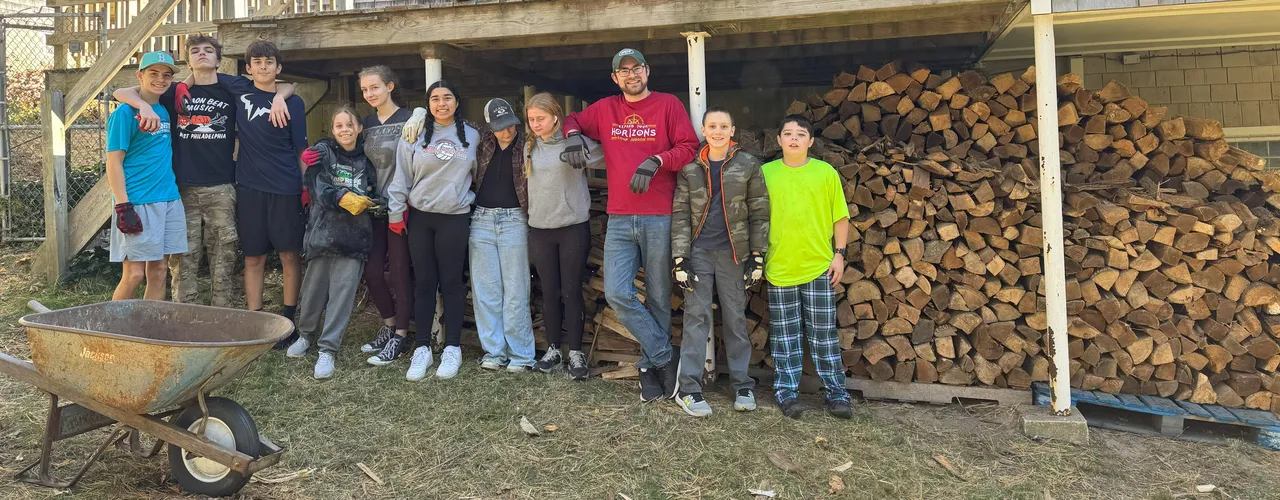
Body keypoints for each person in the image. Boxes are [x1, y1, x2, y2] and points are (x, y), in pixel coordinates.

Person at [112, 35, 292, 308]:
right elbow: (123, 91)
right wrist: (144, 104)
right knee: (184, 257)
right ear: (188, 60)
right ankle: (184, 312)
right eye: (195, 51)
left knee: (224, 252)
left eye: (209, 50)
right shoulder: (171, 91)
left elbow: (287, 84)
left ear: (219, 60)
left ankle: (222, 313)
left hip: (221, 184)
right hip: (180, 188)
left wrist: (279, 96)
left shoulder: (234, 88)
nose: (202, 54)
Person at [560, 48, 699, 400]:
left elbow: (688, 146)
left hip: (658, 216)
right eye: (624, 71)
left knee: (657, 296)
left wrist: (657, 160)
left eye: (636, 68)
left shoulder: (668, 105)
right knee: (618, 291)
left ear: (647, 71)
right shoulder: (606, 108)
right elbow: (571, 118)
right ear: (615, 78)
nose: (631, 75)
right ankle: (666, 356)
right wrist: (574, 135)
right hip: (620, 216)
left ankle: (650, 368)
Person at [670, 107, 769, 417]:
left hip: (733, 254)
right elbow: (681, 215)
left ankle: (742, 385)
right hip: (699, 253)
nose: (717, 131)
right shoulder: (690, 168)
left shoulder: (748, 165)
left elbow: (760, 212)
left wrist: (757, 256)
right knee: (696, 319)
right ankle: (689, 389)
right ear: (703, 130)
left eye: (723, 126)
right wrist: (680, 258)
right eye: (712, 125)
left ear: (732, 130)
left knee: (735, 318)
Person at [383, 80, 484, 381]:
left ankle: (453, 346)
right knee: (425, 283)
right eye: (435, 99)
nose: (442, 104)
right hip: (422, 218)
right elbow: (401, 176)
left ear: (457, 102)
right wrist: (395, 213)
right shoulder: (413, 134)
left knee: (452, 283)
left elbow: (478, 174)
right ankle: (422, 348)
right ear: (428, 104)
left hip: (454, 217)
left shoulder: (474, 136)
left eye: (448, 98)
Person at [319, 66, 416, 360]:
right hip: (371, 209)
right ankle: (388, 325)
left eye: (374, 87)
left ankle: (402, 335)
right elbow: (343, 142)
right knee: (373, 273)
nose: (369, 93)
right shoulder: (366, 123)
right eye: (364, 89)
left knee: (399, 273)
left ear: (389, 86)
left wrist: (422, 112)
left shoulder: (409, 119)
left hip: (401, 209)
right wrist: (321, 148)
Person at [761, 115, 853, 420]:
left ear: (810, 141)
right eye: (787, 133)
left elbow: (840, 217)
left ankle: (836, 395)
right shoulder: (765, 173)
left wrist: (838, 254)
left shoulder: (825, 173)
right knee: (785, 338)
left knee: (823, 336)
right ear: (779, 140)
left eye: (800, 134)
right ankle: (786, 393)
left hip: (818, 267)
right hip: (780, 266)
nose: (794, 139)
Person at [219, 40, 308, 348]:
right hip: (250, 187)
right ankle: (255, 322)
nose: (263, 67)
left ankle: (287, 321)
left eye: (269, 62)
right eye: (257, 62)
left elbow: (301, 149)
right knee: (253, 256)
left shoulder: (293, 103)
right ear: (248, 68)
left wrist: (306, 186)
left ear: (278, 67)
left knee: (289, 254)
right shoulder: (239, 90)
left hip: (285, 187)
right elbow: (202, 73)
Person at [286, 105, 377, 379]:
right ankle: (305, 335)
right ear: (332, 130)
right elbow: (316, 186)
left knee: (342, 295)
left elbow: (375, 191)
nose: (345, 130)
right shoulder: (323, 153)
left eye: (350, 125)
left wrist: (376, 204)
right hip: (323, 234)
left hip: (354, 238)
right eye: (339, 126)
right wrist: (340, 197)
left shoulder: (367, 161)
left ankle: (328, 349)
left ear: (359, 128)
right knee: (313, 290)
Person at [524, 93, 604, 381]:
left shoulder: (576, 145)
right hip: (540, 230)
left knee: (571, 291)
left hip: (572, 228)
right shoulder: (529, 147)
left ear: (556, 116)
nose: (535, 123)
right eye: (531, 119)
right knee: (548, 291)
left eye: (540, 118)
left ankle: (576, 353)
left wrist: (576, 135)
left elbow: (610, 151)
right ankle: (553, 350)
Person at [105, 52, 187, 301]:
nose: (160, 79)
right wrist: (122, 205)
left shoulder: (163, 109)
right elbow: (114, 161)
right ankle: (112, 331)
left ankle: (149, 331)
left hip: (169, 198)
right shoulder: (124, 113)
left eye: (166, 75)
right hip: (138, 200)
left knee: (160, 270)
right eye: (153, 73)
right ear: (139, 75)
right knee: (134, 274)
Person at [465, 98, 535, 373]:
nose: (506, 131)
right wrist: (420, 114)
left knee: (516, 289)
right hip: (481, 219)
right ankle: (494, 352)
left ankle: (521, 354)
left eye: (510, 125)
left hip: (515, 219)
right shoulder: (481, 139)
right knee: (486, 290)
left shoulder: (527, 144)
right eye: (500, 127)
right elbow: (452, 119)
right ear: (490, 126)